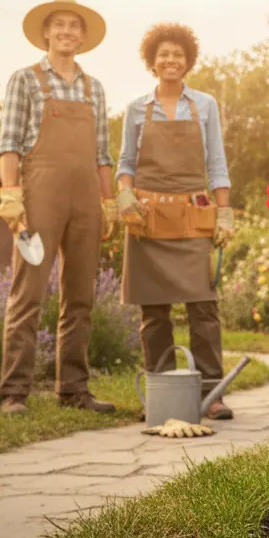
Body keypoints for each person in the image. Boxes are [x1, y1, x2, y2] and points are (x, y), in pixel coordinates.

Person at [0, 0, 121, 415]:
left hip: (86, 198)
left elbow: (102, 153)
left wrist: (108, 202)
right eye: (59, 24)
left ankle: (74, 389)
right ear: (46, 32)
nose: (67, 31)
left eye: (74, 26)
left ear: (83, 37)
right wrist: (10, 193)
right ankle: (14, 392)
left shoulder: (93, 88)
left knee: (81, 294)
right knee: (27, 292)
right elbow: (9, 143)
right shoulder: (25, 80)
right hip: (39, 196)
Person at [116, 22, 236, 420]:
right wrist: (125, 193)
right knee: (154, 313)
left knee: (204, 309)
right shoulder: (136, 109)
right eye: (163, 54)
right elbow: (126, 163)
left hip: (193, 216)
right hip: (148, 220)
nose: (171, 60)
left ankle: (212, 394)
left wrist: (224, 212)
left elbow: (216, 163)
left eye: (178, 54)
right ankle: (161, 395)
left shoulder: (205, 105)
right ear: (152, 61)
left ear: (188, 61)